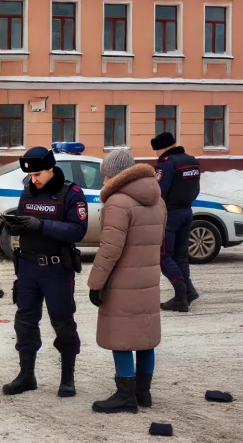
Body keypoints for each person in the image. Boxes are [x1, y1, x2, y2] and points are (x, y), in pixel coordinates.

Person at [3, 147, 88, 398]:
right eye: (31, 175)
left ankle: (67, 378)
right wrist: (13, 226)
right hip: (28, 267)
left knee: (62, 321)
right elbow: (22, 219)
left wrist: (42, 225)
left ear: (51, 169)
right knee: (25, 321)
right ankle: (26, 376)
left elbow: (77, 231)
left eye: (38, 174)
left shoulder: (71, 193)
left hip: (56, 269)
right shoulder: (28, 190)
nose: (34, 179)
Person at [87, 150, 166, 414]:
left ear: (114, 174)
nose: (103, 180)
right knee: (144, 336)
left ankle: (125, 396)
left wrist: (96, 283)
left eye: (105, 175)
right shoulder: (158, 200)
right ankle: (143, 393)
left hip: (122, 281)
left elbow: (110, 249)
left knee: (120, 335)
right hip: (148, 280)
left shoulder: (118, 202)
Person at [152, 132, 201, 312]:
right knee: (180, 254)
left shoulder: (166, 164)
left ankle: (180, 296)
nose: (156, 154)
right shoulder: (192, 160)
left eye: (156, 150)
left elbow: (158, 191)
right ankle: (189, 290)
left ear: (162, 148)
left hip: (170, 214)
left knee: (164, 256)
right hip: (187, 212)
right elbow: (196, 189)